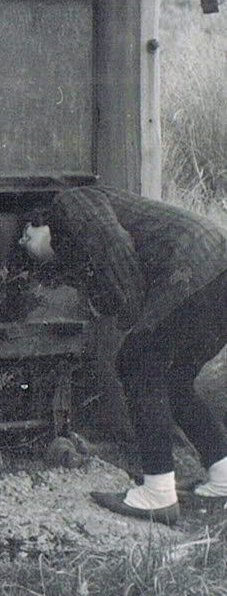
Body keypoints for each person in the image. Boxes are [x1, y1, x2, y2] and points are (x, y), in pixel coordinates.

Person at [20, 183, 227, 525]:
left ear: (39, 223)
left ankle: (157, 494)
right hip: (217, 268)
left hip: (194, 266)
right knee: (175, 379)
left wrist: (133, 317)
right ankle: (222, 473)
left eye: (25, 237)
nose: (24, 244)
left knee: (136, 363)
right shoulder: (80, 227)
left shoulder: (69, 202)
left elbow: (115, 246)